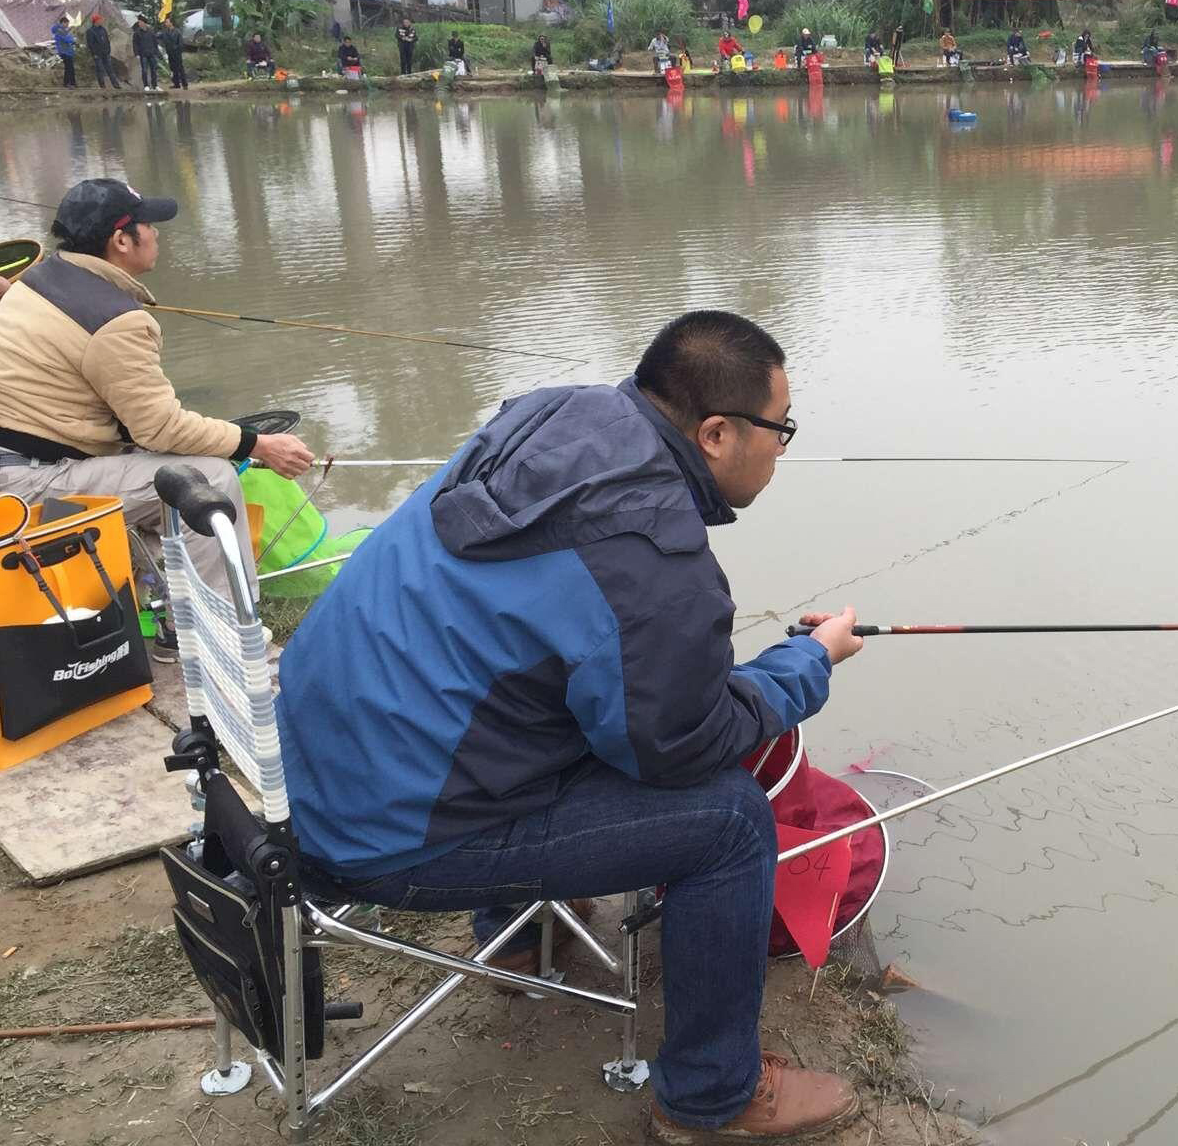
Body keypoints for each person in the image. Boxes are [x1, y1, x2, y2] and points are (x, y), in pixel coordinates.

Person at [273, 311, 863, 1143]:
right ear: (719, 433)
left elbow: (606, 664)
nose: (782, 449)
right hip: (384, 835)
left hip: (304, 773)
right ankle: (710, 1096)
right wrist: (805, 667)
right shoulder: (656, 560)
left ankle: (524, 942)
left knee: (554, 684)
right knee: (729, 823)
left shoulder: (553, 416)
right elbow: (680, 745)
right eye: (781, 430)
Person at [0, 179, 314, 601]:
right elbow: (160, 429)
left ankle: (161, 602)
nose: (156, 233)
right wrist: (257, 445)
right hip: (28, 483)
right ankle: (227, 634)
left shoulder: (37, 279)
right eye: (148, 224)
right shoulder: (116, 320)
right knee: (210, 479)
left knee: (157, 463)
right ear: (121, 240)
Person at [86, 14, 121, 89]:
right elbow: (90, 44)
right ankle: (102, 86)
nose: (101, 21)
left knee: (110, 69)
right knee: (100, 70)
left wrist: (108, 50)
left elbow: (107, 41)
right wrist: (94, 53)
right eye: (100, 20)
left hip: (105, 53)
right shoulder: (90, 31)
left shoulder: (103, 29)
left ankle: (116, 85)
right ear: (96, 21)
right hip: (97, 54)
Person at [130, 17, 160, 92]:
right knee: (144, 70)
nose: (139, 24)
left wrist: (156, 52)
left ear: (144, 23)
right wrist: (136, 54)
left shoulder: (151, 31)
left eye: (140, 22)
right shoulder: (137, 33)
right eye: (139, 22)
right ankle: (146, 85)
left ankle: (155, 85)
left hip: (152, 53)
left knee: (153, 70)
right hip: (143, 54)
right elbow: (135, 44)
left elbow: (155, 42)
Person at [158, 17, 188, 89]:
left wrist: (177, 49)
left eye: (167, 22)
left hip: (176, 53)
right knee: (173, 68)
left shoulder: (177, 32)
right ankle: (176, 84)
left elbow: (181, 43)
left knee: (180, 68)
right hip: (170, 53)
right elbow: (158, 36)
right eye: (165, 22)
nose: (166, 24)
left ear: (171, 23)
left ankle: (185, 84)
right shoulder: (165, 32)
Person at [51, 15, 78, 89]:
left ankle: (69, 83)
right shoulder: (61, 31)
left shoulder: (60, 30)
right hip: (65, 52)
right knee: (70, 68)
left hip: (66, 51)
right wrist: (74, 41)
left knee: (68, 67)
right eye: (66, 24)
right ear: (63, 23)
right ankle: (70, 83)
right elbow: (68, 39)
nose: (67, 26)